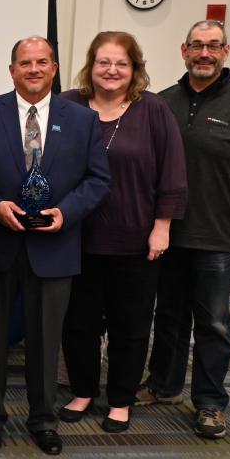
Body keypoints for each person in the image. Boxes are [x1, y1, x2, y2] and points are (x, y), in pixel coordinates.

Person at [0, 36, 110, 456]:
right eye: (25, 63)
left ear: (55, 68)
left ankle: (43, 419)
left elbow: (98, 180)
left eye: (43, 62)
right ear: (12, 70)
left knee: (46, 340)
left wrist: (68, 213)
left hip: (55, 244)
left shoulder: (82, 119)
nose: (34, 69)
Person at [137, 20, 230, 439]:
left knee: (213, 321)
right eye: (197, 46)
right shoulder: (160, 103)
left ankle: (210, 402)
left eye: (213, 46)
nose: (205, 53)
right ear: (183, 51)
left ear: (226, 51)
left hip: (218, 236)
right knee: (167, 314)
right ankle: (163, 385)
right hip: (167, 232)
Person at [58, 32, 188, 433]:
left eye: (121, 63)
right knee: (78, 322)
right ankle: (82, 391)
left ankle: (120, 399)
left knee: (129, 325)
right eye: (103, 62)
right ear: (90, 65)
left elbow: (172, 170)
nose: (111, 71)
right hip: (75, 238)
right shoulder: (68, 104)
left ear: (134, 69)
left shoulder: (153, 109)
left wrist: (162, 226)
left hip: (134, 239)